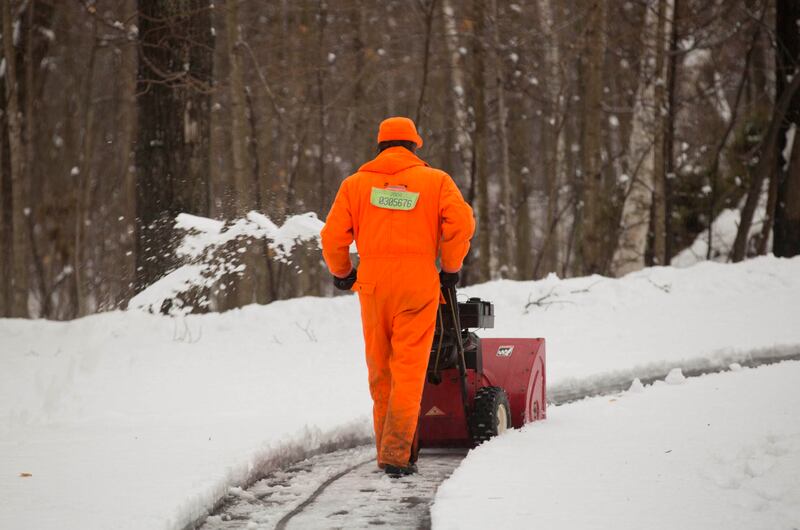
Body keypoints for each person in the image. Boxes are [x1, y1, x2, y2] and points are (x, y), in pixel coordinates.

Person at [321, 116, 475, 477]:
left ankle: (391, 449)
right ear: (414, 146)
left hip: (373, 285)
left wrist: (343, 273)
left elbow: (332, 237)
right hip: (417, 283)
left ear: (380, 147)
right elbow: (462, 223)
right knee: (408, 370)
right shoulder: (435, 181)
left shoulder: (355, 185)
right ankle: (396, 452)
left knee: (381, 371)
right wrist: (451, 267)